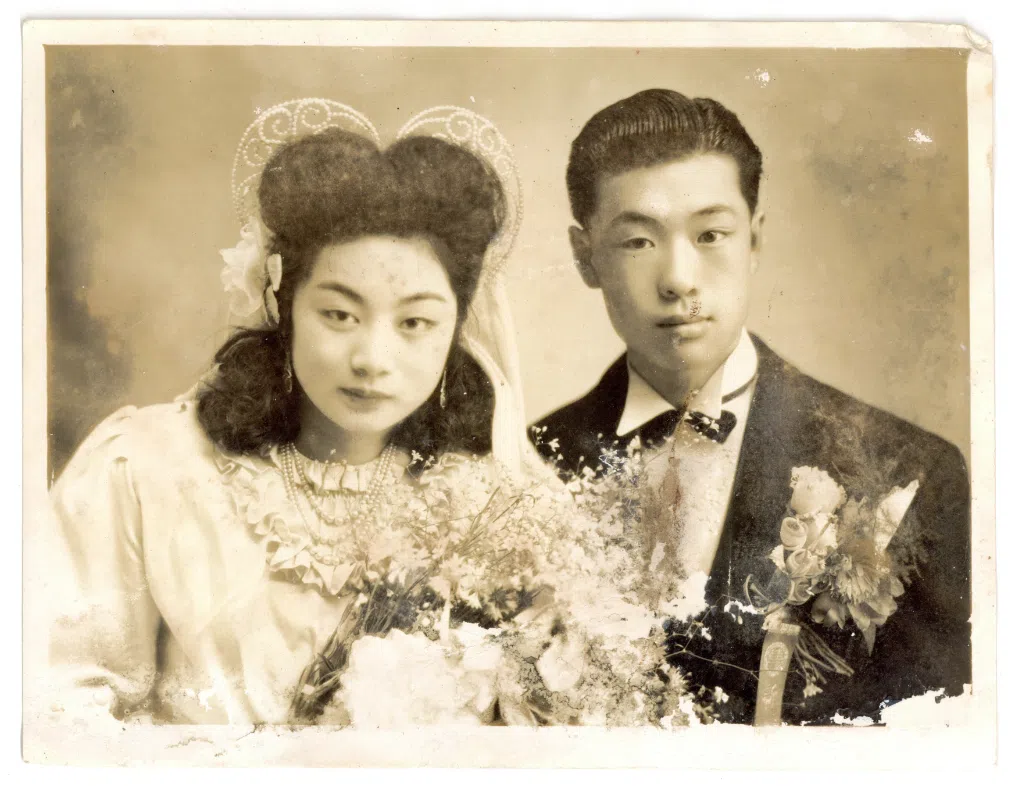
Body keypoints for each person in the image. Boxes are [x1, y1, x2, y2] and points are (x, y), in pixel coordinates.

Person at [43, 101, 555, 726]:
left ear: (454, 330)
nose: (372, 358)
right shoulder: (148, 469)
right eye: (339, 314)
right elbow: (55, 706)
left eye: (416, 323)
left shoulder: (493, 504)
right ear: (284, 305)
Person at [532, 88, 971, 725]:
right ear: (583, 256)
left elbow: (941, 739)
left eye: (711, 234)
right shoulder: (527, 463)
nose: (679, 278)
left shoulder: (906, 469)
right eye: (637, 242)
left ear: (754, 240)